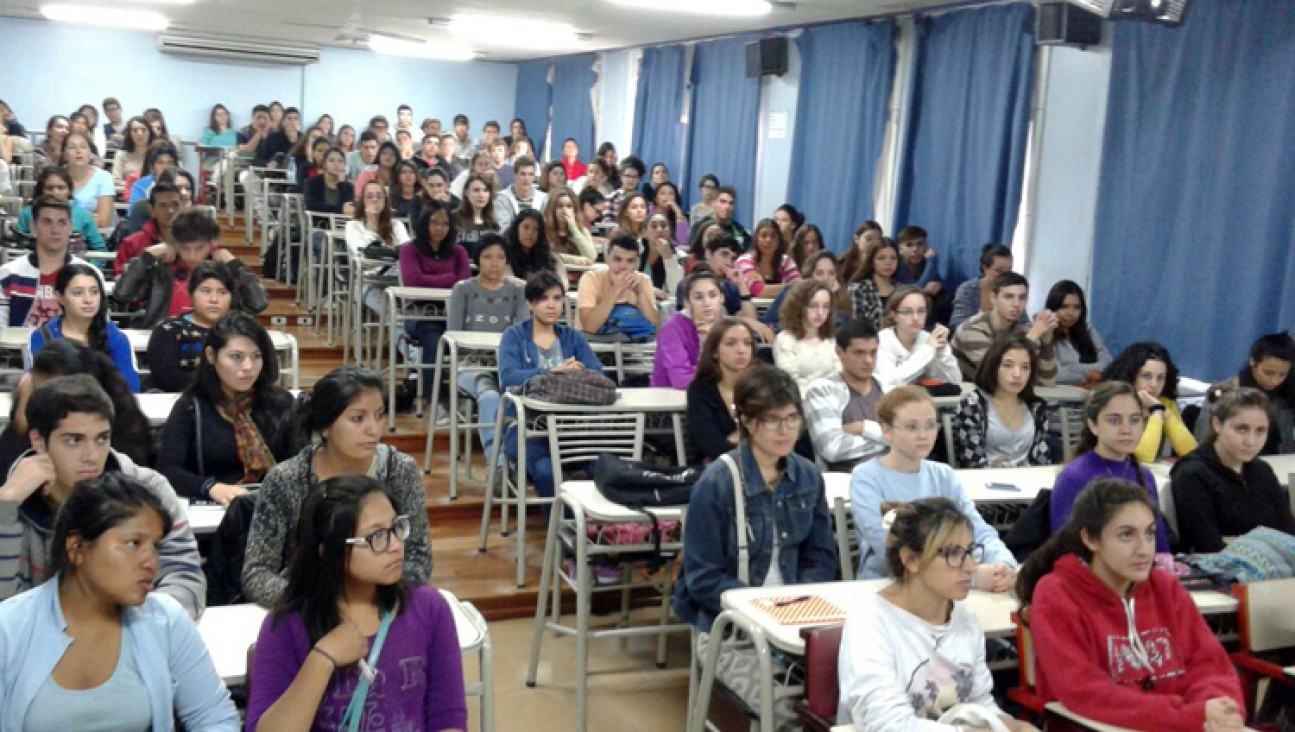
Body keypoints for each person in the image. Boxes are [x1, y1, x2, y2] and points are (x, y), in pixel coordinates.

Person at [0, 473, 240, 730]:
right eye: (133, 543)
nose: (151, 562)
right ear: (76, 548)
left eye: (155, 546)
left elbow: (215, 718)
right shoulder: (9, 627)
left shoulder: (166, 621)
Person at [673, 365, 837, 732]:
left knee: (851, 697)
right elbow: (702, 579)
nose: (785, 430)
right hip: (729, 631)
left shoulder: (807, 476)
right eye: (772, 420)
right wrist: (762, 611)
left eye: (793, 418)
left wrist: (799, 606)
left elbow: (821, 557)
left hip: (797, 622)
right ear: (746, 421)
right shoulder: (716, 483)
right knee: (788, 712)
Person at [1017, 479, 1246, 732]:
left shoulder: (1165, 586)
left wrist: (1219, 709)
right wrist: (1191, 715)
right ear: (1091, 539)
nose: (1144, 549)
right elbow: (1085, 693)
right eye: (1126, 535)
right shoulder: (1057, 594)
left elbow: (1210, 666)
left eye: (1149, 533)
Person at [246, 475, 467, 731]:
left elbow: (448, 719)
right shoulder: (286, 625)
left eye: (397, 528)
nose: (396, 545)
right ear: (328, 551)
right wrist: (321, 660)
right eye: (377, 537)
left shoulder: (428, 607)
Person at [0, 375, 206, 616]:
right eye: (74, 440)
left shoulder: (149, 490)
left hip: (140, 638)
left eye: (102, 438)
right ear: (39, 441)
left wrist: (133, 629)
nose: (92, 456)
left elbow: (185, 577)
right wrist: (6, 506)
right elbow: (6, 612)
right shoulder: (13, 505)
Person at [837, 498, 1040, 732]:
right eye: (953, 553)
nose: (971, 567)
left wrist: (1013, 726)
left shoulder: (965, 618)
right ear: (911, 560)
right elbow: (887, 725)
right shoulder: (870, 621)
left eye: (971, 551)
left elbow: (980, 703)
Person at [242, 367, 432, 607]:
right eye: (357, 419)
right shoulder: (286, 480)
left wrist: (370, 602)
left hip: (379, 609)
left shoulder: (400, 470)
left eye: (379, 415)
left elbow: (418, 558)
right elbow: (257, 573)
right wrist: (320, 604)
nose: (373, 429)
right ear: (324, 426)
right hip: (306, 610)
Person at [850, 386, 1018, 585]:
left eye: (930, 425)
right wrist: (970, 577)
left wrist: (1003, 564)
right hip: (889, 585)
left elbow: (978, 530)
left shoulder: (944, 474)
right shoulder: (866, 477)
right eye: (912, 427)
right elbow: (890, 548)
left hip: (951, 583)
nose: (924, 435)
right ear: (887, 431)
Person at [156, 313, 300, 506]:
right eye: (236, 357)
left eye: (256, 356)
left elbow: (301, 464)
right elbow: (168, 470)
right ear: (211, 356)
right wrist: (210, 487)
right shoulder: (191, 406)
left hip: (272, 507)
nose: (248, 367)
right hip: (216, 508)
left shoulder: (280, 402)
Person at [498, 271, 603, 501]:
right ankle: (561, 532)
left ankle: (596, 527)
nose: (551, 305)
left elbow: (598, 373)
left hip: (572, 427)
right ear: (530, 303)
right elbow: (509, 377)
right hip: (527, 429)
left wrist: (579, 370)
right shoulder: (514, 336)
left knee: (603, 466)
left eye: (557, 299)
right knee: (546, 471)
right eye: (544, 299)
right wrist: (550, 372)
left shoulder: (572, 337)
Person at [1048, 381, 1171, 553]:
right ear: (1093, 425)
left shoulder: (1144, 475)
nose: (1127, 430)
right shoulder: (1074, 477)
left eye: (1135, 420)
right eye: (1114, 420)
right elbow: (1065, 549)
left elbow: (1159, 543)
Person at [0, 341, 153, 477]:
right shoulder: (30, 426)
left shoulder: (126, 458)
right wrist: (20, 415)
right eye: (37, 391)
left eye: (102, 438)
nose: (44, 402)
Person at [1170, 387, 1295, 553]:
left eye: (1260, 431)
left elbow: (1288, 533)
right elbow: (1208, 545)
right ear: (1217, 424)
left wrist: (1238, 540)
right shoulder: (1192, 474)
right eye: (1241, 429)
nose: (1251, 441)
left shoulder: (1262, 470)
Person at [447, 234, 529, 459]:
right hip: (470, 364)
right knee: (490, 397)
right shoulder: (462, 289)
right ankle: (499, 464)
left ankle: (524, 462)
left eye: (500, 257)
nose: (494, 263)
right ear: (477, 260)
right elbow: (453, 336)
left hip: (507, 365)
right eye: (487, 257)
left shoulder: (519, 289)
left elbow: (522, 332)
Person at [114, 209, 267, 329]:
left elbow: (258, 304)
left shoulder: (224, 272)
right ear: (175, 244)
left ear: (211, 244)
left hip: (214, 342)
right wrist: (146, 257)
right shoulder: (161, 269)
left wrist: (235, 265)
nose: (191, 256)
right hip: (162, 339)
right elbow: (122, 294)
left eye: (199, 248)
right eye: (185, 248)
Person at [25, 263, 137, 392]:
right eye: (78, 293)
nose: (88, 299)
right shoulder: (42, 337)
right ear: (60, 297)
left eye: (94, 292)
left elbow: (130, 389)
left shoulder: (115, 337)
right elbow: (38, 390)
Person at [400, 202, 472, 392]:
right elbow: (413, 281)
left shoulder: (459, 252)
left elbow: (463, 285)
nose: (440, 228)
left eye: (445, 224)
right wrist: (448, 277)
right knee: (434, 338)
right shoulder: (410, 250)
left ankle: (464, 393)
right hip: (420, 312)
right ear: (424, 223)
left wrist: (434, 280)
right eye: (434, 222)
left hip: (452, 313)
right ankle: (431, 397)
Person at [952, 335, 1053, 468]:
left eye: (1025, 367)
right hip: (984, 482)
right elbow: (972, 463)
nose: (1017, 374)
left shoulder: (1037, 407)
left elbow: (1042, 461)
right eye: (1008, 365)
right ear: (994, 366)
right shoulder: (972, 406)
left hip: (1029, 481)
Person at [803, 319, 887, 472]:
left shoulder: (889, 387)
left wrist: (862, 427)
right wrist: (892, 439)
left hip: (895, 475)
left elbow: (913, 438)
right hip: (845, 482)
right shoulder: (821, 390)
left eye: (873, 353)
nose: (868, 361)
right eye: (859, 353)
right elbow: (832, 448)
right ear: (839, 352)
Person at [0, 196, 93, 327]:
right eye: (47, 222)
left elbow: (100, 330)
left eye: (62, 223)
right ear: (33, 227)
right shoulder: (8, 274)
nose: (55, 230)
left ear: (70, 227)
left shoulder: (89, 275)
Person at [951, 272, 1058, 385]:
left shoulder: (1024, 331)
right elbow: (997, 375)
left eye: (1022, 298)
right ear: (993, 298)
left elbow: (1047, 381)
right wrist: (1031, 338)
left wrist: (1046, 341)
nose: (1016, 304)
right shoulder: (971, 329)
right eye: (1009, 297)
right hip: (966, 397)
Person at [1195, 333, 1295, 454]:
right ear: (1253, 361)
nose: (1275, 380)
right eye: (1268, 373)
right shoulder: (1223, 392)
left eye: (1282, 375)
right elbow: (1204, 440)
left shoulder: (1288, 392)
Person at [146, 261, 236, 392]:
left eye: (222, 292)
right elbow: (166, 378)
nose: (214, 299)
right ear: (191, 293)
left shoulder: (241, 330)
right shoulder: (169, 329)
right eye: (206, 291)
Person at [1101, 342, 1195, 463]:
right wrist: (1157, 411)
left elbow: (1190, 451)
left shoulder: (1163, 402)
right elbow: (1141, 458)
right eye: (1146, 376)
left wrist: (1164, 412)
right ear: (1131, 376)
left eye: (1160, 378)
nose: (1154, 385)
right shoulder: (1115, 401)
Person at [686, 320, 757, 465]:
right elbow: (712, 448)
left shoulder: (765, 385)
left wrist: (734, 438)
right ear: (714, 352)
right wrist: (753, 435)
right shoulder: (700, 391)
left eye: (747, 343)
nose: (741, 350)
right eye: (731, 343)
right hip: (718, 473)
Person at [575, 234, 661, 339]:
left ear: (637, 263)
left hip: (634, 347)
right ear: (607, 258)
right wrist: (616, 290)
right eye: (617, 259)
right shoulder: (590, 278)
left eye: (630, 261)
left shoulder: (643, 280)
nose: (623, 266)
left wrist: (640, 293)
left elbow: (656, 327)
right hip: (595, 345)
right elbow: (589, 327)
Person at [875, 286, 959, 391]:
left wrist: (943, 353)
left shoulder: (928, 339)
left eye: (921, 311)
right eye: (907, 312)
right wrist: (928, 350)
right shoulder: (883, 340)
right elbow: (887, 383)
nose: (915, 318)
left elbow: (954, 383)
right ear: (894, 315)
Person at [653, 270, 727, 390]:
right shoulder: (672, 328)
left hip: (713, 396)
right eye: (698, 297)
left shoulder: (725, 325)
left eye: (712, 295)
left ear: (722, 298)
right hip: (669, 401)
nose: (707, 303)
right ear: (687, 302)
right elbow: (681, 379)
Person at [12, 167, 106, 254]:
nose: (55, 192)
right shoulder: (27, 213)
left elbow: (99, 248)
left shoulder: (83, 215)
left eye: (61, 188)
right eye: (49, 188)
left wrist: (84, 270)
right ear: (41, 190)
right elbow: (17, 247)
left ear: (69, 190)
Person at [774, 280, 840, 393]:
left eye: (826, 307)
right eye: (813, 306)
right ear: (798, 307)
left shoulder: (832, 339)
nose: (820, 313)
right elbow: (790, 382)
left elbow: (840, 376)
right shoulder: (785, 340)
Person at [1046, 279, 1112, 387]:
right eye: (1064, 307)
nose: (1070, 313)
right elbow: (1055, 374)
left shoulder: (1088, 329)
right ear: (1053, 307)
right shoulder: (1046, 333)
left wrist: (1073, 367)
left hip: (1090, 395)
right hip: (1059, 397)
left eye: (1077, 307)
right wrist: (1089, 376)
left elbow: (1108, 364)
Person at [760, 250, 848, 330]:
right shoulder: (791, 292)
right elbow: (767, 324)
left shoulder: (841, 299)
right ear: (809, 275)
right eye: (819, 273)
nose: (826, 278)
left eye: (831, 273)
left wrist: (831, 300)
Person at [115, 179, 185, 274]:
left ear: (183, 207)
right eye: (163, 205)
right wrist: (146, 257)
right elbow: (121, 281)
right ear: (152, 210)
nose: (170, 211)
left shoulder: (194, 242)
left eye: (175, 204)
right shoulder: (131, 244)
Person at [949, 243, 1013, 331]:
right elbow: (957, 324)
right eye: (999, 271)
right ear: (985, 268)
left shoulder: (1013, 290)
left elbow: (1023, 323)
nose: (1005, 276)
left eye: (1009, 271)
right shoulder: (968, 289)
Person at [734, 218, 798, 298]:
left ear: (779, 241)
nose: (768, 240)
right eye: (764, 235)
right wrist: (789, 287)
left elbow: (799, 289)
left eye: (773, 236)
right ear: (756, 239)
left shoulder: (786, 261)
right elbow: (757, 291)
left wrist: (765, 286)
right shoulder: (744, 261)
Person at [63, 132, 115, 228]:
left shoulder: (104, 177)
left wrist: (66, 220)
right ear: (65, 155)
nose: (78, 151)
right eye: (72, 147)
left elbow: (102, 221)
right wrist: (89, 218)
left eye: (83, 147)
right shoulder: (57, 176)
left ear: (91, 153)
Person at [503, 208, 566, 283]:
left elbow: (562, 280)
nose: (530, 233)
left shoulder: (546, 253)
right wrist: (538, 288)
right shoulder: (504, 252)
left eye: (536, 229)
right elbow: (509, 279)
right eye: (526, 227)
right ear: (516, 228)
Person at [848, 240, 899, 329]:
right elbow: (855, 326)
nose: (888, 263)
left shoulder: (902, 290)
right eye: (881, 258)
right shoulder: (858, 289)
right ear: (871, 261)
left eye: (893, 258)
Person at [544, 185, 598, 266]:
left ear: (574, 210)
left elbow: (591, 257)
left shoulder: (582, 231)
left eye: (569, 206)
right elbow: (547, 255)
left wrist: (574, 228)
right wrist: (574, 260)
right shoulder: (544, 230)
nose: (564, 210)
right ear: (552, 209)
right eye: (560, 206)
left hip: (579, 276)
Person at [452, 172, 500, 260]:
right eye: (476, 190)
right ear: (466, 192)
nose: (481, 195)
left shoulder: (493, 224)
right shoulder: (453, 219)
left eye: (485, 190)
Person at [494, 155, 548, 231]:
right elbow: (503, 228)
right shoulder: (502, 198)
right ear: (515, 175)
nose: (526, 178)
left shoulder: (544, 199)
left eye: (530, 174)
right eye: (523, 174)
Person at [893, 226, 944, 300]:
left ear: (926, 247)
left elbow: (939, 283)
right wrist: (932, 261)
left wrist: (938, 286)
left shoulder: (925, 263)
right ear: (900, 249)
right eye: (909, 245)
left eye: (920, 244)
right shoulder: (896, 266)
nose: (915, 249)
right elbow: (915, 290)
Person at [302, 146, 355, 218]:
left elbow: (348, 209)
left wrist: (341, 185)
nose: (336, 164)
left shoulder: (348, 187)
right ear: (324, 164)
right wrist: (339, 209)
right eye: (331, 161)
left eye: (340, 161)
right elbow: (312, 205)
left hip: (342, 226)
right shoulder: (312, 183)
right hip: (319, 225)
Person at [126, 140, 179, 205]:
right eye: (160, 163)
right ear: (152, 167)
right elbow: (134, 213)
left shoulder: (182, 182)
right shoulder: (140, 186)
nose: (165, 167)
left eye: (170, 163)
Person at [111, 116, 155, 188]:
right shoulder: (121, 154)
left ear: (149, 132)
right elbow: (115, 181)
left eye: (143, 130)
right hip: (128, 193)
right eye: (135, 130)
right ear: (129, 134)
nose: (139, 134)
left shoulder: (157, 152)